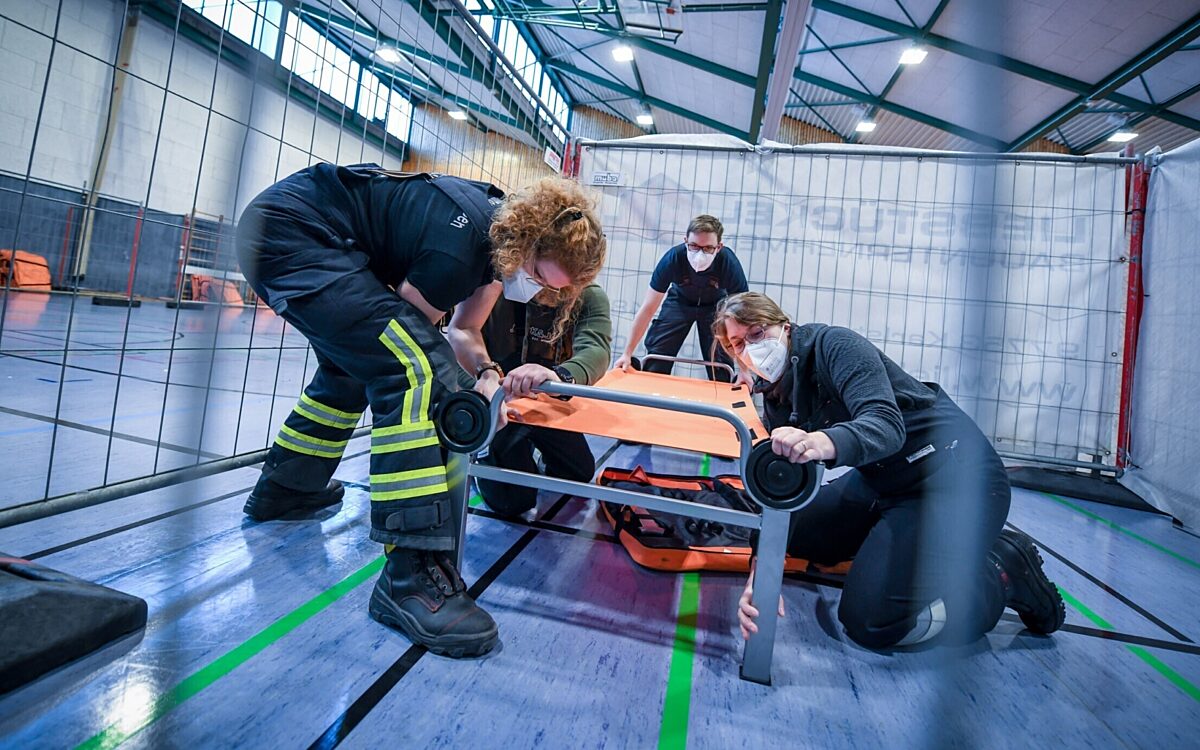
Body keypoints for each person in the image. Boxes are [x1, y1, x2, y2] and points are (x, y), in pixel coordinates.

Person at [235, 164, 605, 658]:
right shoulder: (460, 248)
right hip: (291, 237)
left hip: (298, 234)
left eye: (551, 289)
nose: (537, 292)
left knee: (362, 364)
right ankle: (411, 575)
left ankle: (287, 487)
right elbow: (419, 337)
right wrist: (467, 389)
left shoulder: (498, 240)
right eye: (538, 277)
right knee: (415, 373)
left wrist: (490, 373)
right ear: (528, 246)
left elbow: (461, 333)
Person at [711, 292, 1064, 650]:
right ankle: (897, 554)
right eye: (738, 345)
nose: (749, 349)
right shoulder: (777, 394)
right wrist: (760, 578)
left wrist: (818, 441)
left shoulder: (835, 345)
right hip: (883, 480)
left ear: (783, 325)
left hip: (955, 481)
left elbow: (885, 426)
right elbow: (788, 497)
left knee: (872, 621)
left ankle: (1000, 573)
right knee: (802, 535)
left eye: (756, 333)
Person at [451, 283, 612, 518]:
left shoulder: (586, 292)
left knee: (578, 473)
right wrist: (484, 394)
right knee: (512, 502)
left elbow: (596, 349)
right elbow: (457, 342)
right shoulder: (489, 285)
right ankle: (481, 461)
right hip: (497, 402)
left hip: (546, 402)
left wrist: (561, 377)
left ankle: (528, 450)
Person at [614, 215, 748, 382]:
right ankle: (651, 395)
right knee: (657, 355)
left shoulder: (729, 264)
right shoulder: (673, 258)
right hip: (680, 302)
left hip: (716, 306)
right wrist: (627, 353)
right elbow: (648, 309)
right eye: (693, 246)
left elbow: (743, 320)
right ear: (685, 241)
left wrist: (745, 371)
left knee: (720, 360)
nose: (700, 254)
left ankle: (720, 401)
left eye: (707, 249)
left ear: (719, 247)